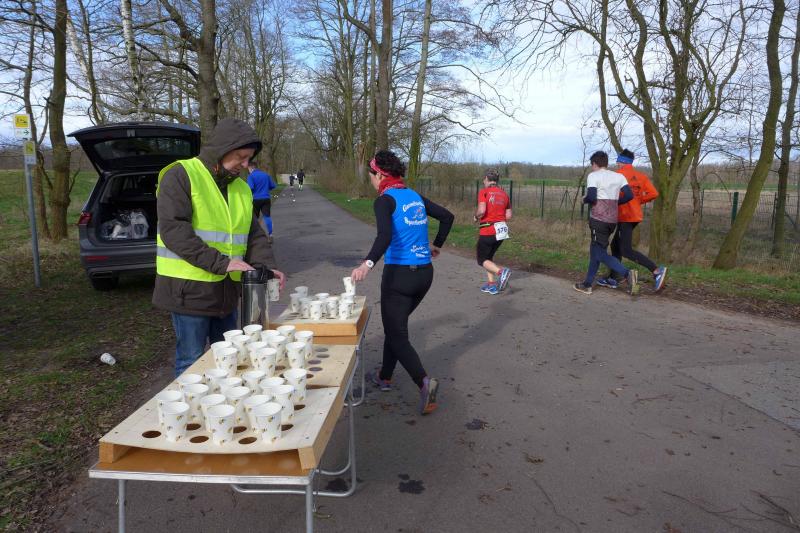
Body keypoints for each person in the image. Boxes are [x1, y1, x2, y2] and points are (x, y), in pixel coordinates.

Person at [153, 118, 286, 376]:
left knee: (230, 360)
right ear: (222, 150)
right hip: (188, 291)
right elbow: (174, 230)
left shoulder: (241, 187)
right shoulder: (180, 175)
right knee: (191, 362)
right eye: (241, 157)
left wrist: (268, 267)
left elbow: (253, 233)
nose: (245, 165)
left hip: (226, 292)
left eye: (249, 159)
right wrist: (223, 263)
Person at [350, 150, 454, 415]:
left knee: (396, 333)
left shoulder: (384, 201)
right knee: (395, 328)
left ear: (379, 174)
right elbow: (447, 217)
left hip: (400, 277)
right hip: (424, 275)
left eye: (371, 174)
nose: (371, 179)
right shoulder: (414, 196)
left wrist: (366, 264)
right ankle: (385, 376)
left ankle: (424, 383)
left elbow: (384, 236)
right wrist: (437, 245)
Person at [597, 149, 668, 291]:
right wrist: (639, 200)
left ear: (622, 162)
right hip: (635, 216)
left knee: (626, 250)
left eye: (618, 162)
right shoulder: (641, 176)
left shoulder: (617, 176)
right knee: (615, 246)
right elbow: (654, 193)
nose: (617, 164)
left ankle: (656, 270)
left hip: (625, 216)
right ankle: (614, 277)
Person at [574, 150, 639, 295]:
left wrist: (584, 200)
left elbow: (591, 197)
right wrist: (615, 203)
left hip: (598, 220)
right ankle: (587, 284)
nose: (592, 168)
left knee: (599, 253)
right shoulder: (619, 176)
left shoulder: (593, 176)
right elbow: (629, 195)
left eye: (592, 165)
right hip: (612, 221)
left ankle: (627, 273)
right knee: (595, 251)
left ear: (595, 164)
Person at [474, 168, 512, 295]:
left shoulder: (484, 192)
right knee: (488, 258)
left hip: (488, 229)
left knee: (481, 260)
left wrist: (475, 217)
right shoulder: (504, 194)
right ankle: (491, 285)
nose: (483, 182)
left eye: (484, 180)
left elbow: (481, 211)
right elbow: (509, 215)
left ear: (486, 179)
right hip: (502, 231)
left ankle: (502, 272)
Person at [246, 161, 277, 242]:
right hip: (266, 198)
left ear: (250, 168)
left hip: (255, 199)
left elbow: (250, 188)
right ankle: (270, 234)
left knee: (255, 218)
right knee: (267, 216)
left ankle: (256, 236)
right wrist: (265, 189)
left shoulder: (251, 176)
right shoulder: (266, 175)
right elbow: (273, 186)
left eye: (248, 169)